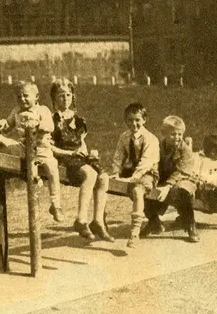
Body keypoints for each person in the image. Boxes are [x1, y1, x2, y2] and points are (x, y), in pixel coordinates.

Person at [49, 78, 114, 242]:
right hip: (64, 157)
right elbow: (49, 147)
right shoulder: (51, 120)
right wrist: (69, 153)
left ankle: (98, 221)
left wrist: (88, 153)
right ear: (54, 98)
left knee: (103, 178)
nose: (65, 99)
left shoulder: (78, 120)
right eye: (61, 95)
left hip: (79, 156)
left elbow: (81, 142)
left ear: (73, 97)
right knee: (90, 174)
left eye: (68, 95)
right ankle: (81, 219)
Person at [0, 81, 64, 223]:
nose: (22, 99)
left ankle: (56, 204)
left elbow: (50, 126)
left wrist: (38, 124)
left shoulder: (42, 110)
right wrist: (0, 124)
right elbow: (8, 127)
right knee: (0, 140)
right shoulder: (16, 111)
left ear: (36, 97)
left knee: (52, 167)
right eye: (19, 97)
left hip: (41, 149)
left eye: (25, 96)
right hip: (23, 148)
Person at [141, 115, 200, 243]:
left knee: (183, 191)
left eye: (180, 134)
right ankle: (154, 221)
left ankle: (190, 224)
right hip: (163, 179)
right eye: (173, 134)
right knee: (143, 187)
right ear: (164, 134)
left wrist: (167, 186)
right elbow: (152, 163)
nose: (177, 137)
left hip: (184, 179)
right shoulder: (157, 147)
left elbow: (182, 171)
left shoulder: (185, 150)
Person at [110, 102, 160, 248]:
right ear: (125, 120)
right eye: (130, 120)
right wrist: (116, 173)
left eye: (137, 120)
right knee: (105, 181)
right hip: (132, 170)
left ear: (144, 120)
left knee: (137, 190)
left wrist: (131, 179)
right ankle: (99, 223)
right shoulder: (124, 137)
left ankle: (134, 233)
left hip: (148, 172)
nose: (134, 124)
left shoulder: (150, 139)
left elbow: (145, 162)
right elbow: (118, 156)